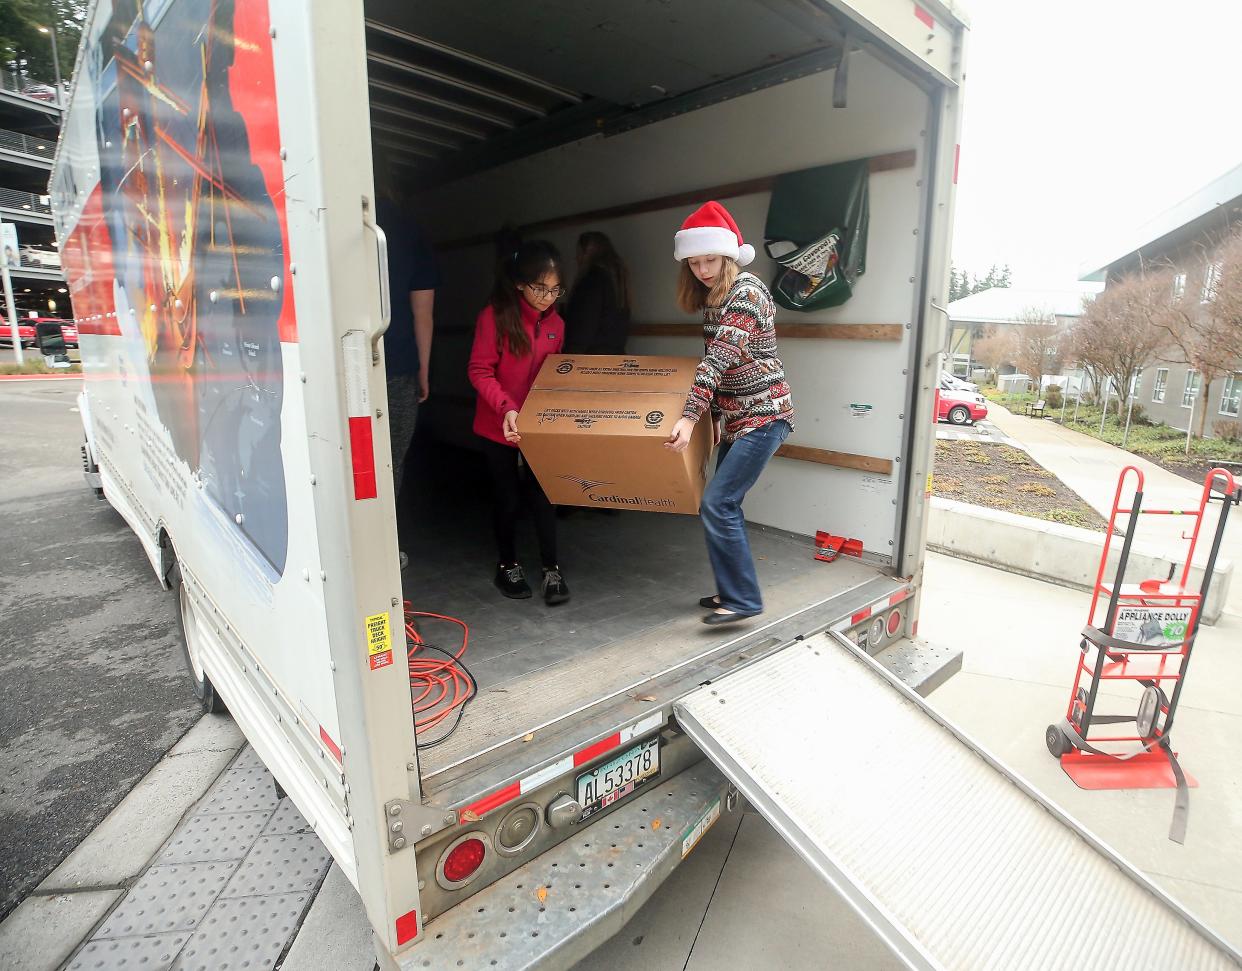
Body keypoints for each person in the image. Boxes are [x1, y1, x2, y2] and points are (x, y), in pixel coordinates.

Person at [664, 201, 794, 626]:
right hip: (739, 420)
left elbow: (718, 360)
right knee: (720, 503)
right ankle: (732, 591)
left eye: (710, 260)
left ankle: (743, 599)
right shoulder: (715, 298)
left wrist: (688, 417)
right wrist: (718, 422)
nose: (702, 269)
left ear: (728, 256)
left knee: (718, 503)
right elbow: (725, 376)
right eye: (695, 262)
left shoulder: (747, 294)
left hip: (764, 415)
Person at [467, 240, 571, 605]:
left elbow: (555, 374)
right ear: (519, 284)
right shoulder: (494, 317)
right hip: (498, 421)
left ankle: (551, 569)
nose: (547, 297)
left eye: (555, 289)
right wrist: (507, 408)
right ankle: (507, 564)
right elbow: (480, 370)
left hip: (538, 425)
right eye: (540, 288)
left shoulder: (557, 323)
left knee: (545, 495)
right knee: (506, 497)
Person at [375, 194, 439, 570]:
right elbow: (423, 314)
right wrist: (423, 372)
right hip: (397, 367)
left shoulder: (331, 216)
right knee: (391, 462)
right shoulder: (410, 230)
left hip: (340, 367)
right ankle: (386, 548)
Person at [563, 231, 631, 354]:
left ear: (586, 253)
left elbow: (582, 327)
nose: (576, 258)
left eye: (579, 253)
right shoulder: (618, 281)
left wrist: (569, 358)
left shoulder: (591, 281)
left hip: (590, 360)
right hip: (615, 357)